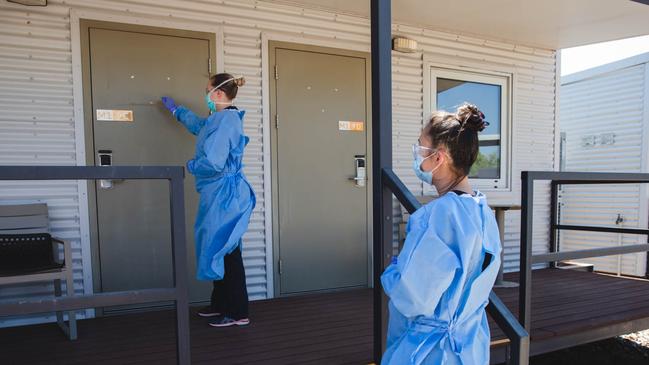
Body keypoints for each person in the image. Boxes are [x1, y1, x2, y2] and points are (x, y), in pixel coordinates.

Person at [381, 104, 501, 364]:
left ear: (439, 156)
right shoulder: (483, 212)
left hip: (431, 352)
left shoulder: (437, 216)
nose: (417, 156)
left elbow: (412, 296)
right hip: (469, 347)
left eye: (421, 148)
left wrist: (393, 272)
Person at [161, 73, 255, 328]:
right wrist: (176, 110)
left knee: (227, 250)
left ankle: (237, 312)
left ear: (218, 94)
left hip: (225, 195)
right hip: (219, 194)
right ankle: (221, 303)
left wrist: (192, 165)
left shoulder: (226, 121)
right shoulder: (218, 119)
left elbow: (213, 162)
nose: (206, 96)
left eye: (207, 90)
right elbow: (198, 126)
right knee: (217, 246)